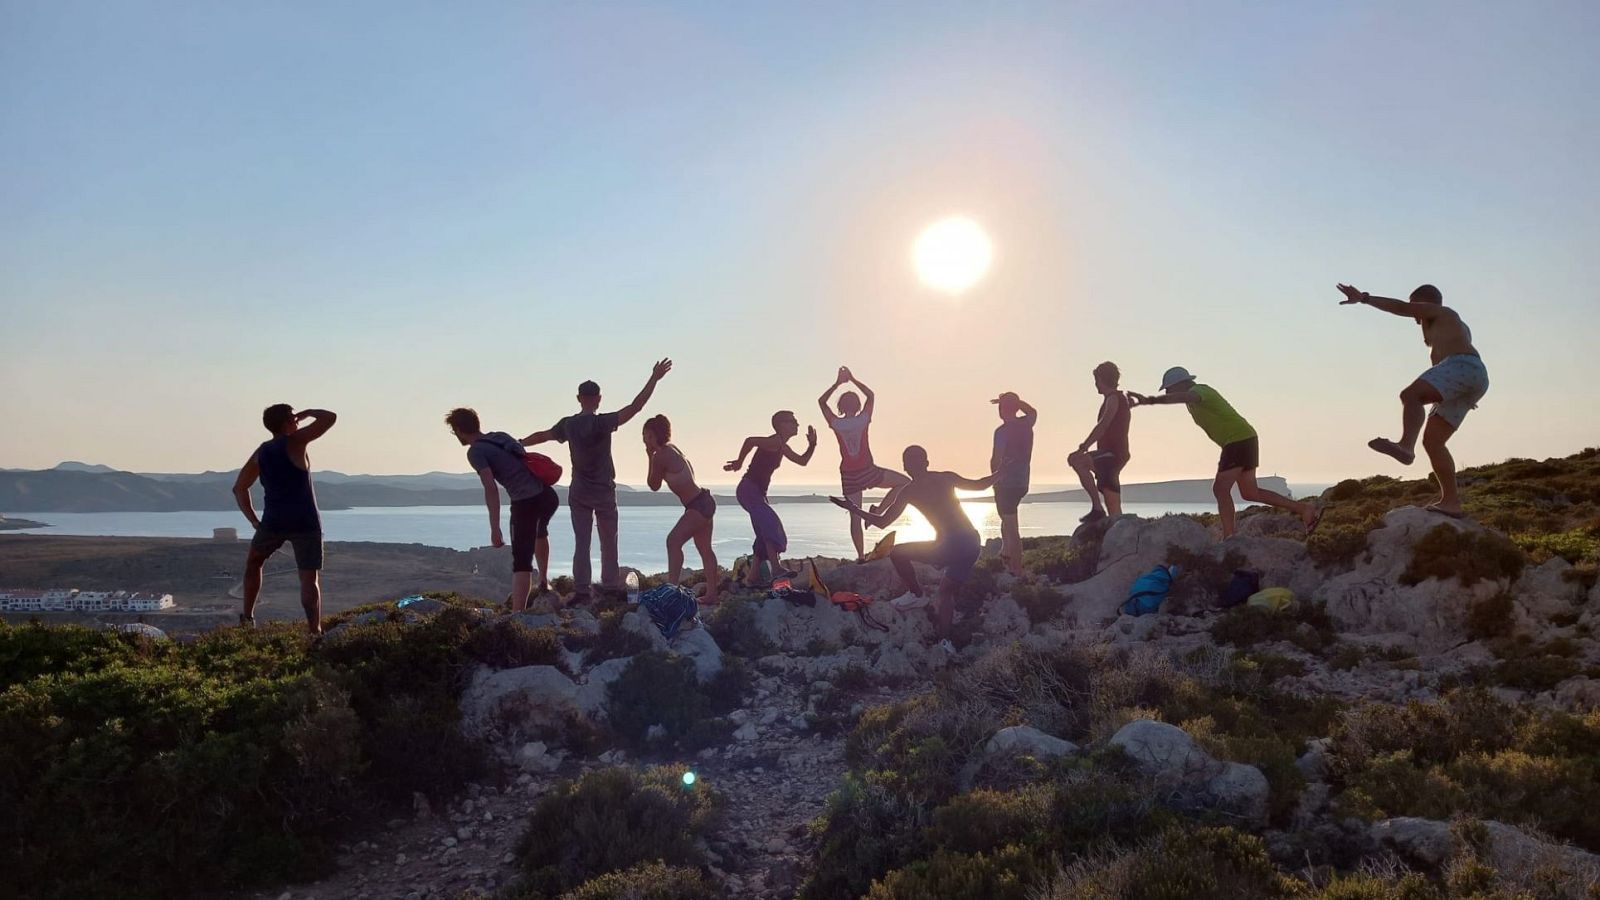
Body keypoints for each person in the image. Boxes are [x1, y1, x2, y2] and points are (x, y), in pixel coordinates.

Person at [523, 359, 672, 603]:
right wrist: (654, 378)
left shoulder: (568, 425)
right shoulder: (602, 422)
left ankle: (582, 591)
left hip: (579, 491)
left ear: (579, 398)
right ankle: (610, 587)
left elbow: (543, 435)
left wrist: (519, 444)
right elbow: (635, 407)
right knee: (609, 541)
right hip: (604, 490)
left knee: (582, 542)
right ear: (599, 399)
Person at [1338, 283, 1489, 519]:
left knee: (1409, 395)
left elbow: (1401, 308)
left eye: (1415, 305)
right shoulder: (1445, 328)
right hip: (1469, 380)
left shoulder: (1442, 313)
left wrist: (1365, 298)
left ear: (1425, 303)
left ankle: (1406, 447)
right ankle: (1451, 502)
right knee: (1433, 442)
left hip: (1463, 367)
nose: (1414, 316)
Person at [832, 445, 1001, 644]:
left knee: (898, 553)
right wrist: (1001, 473)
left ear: (905, 467)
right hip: (972, 543)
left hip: (951, 546)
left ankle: (917, 594)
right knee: (945, 591)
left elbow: (882, 522)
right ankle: (945, 642)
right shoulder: (946, 477)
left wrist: (853, 508)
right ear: (926, 462)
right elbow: (980, 485)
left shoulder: (909, 491)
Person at [1129, 368, 1321, 538]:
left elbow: (1189, 396)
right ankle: (1304, 509)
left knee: (1220, 489)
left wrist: (1150, 400)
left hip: (1238, 441)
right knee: (1250, 492)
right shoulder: (1192, 401)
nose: (1168, 393)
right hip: (1244, 439)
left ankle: (1230, 537)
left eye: (1169, 389)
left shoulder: (1200, 391)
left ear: (1181, 384)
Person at [232, 404, 337, 634]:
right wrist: (308, 413)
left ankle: (248, 618)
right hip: (305, 521)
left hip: (274, 521)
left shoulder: (262, 452)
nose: (297, 421)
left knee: (254, 563)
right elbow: (329, 418)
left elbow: (239, 488)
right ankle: (314, 631)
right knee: (308, 578)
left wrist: (254, 521)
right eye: (294, 417)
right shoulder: (296, 441)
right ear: (287, 422)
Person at [447, 407, 560, 611]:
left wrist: (495, 528)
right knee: (540, 531)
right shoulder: (500, 436)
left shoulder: (475, 451)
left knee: (522, 561)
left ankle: (517, 616)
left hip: (525, 502)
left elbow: (491, 488)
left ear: (459, 430)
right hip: (547, 495)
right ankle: (544, 581)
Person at [818, 366, 911, 561]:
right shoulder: (863, 418)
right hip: (868, 470)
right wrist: (852, 379)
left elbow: (821, 401)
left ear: (840, 406)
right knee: (904, 483)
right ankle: (879, 511)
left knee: (855, 516)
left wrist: (838, 383)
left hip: (849, 473)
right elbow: (870, 395)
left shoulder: (836, 423)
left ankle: (860, 556)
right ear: (858, 405)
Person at [726, 411, 817, 587]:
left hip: (756, 493)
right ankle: (776, 568)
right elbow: (750, 440)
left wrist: (812, 445)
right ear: (781, 424)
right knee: (771, 524)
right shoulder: (774, 441)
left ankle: (753, 577)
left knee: (763, 533)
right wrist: (739, 462)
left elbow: (802, 461)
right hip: (749, 489)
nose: (797, 424)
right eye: (793, 421)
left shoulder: (781, 446)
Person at [642, 414, 720, 605]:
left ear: (654, 435)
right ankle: (712, 594)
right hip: (703, 500)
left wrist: (649, 457)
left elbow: (653, 485)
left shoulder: (660, 456)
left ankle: (672, 590)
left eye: (647, 435)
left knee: (673, 541)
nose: (644, 439)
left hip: (697, 505)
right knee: (705, 549)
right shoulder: (672, 449)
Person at [1068, 362, 1133, 524]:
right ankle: (1116, 528)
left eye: (1096, 380)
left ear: (1102, 380)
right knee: (1114, 509)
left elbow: (1103, 425)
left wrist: (1083, 447)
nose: (1096, 384)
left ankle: (1097, 508)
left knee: (1077, 461)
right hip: (1115, 454)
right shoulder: (1118, 399)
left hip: (1112, 454)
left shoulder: (1113, 399)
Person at [990, 391, 1037, 578]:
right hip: (1022, 482)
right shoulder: (1027, 424)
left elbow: (996, 458)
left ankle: (1017, 569)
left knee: (1011, 526)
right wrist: (1015, 402)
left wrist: (993, 479)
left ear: (1002, 410)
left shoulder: (1002, 432)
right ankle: (1006, 552)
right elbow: (1032, 410)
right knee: (1006, 518)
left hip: (1006, 483)